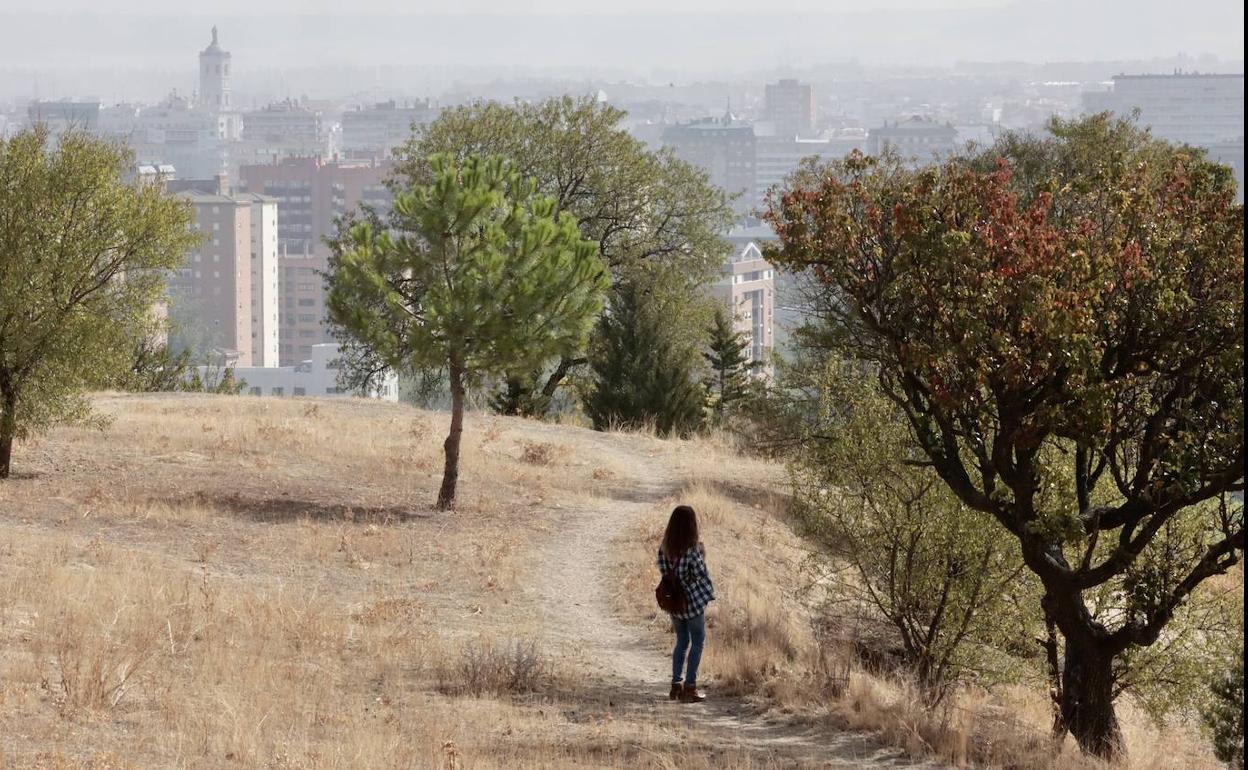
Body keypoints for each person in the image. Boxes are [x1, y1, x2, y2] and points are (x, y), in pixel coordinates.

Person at [657, 504, 716, 703]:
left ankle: (676, 686)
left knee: (681, 641)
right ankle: (690, 687)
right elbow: (702, 574)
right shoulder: (692, 550)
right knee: (698, 641)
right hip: (692, 603)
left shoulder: (664, 548)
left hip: (674, 602)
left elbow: (664, 573)